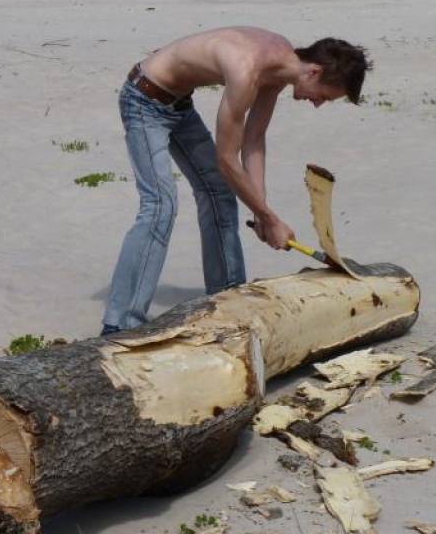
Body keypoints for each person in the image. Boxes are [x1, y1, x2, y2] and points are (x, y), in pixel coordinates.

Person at [101, 28, 371, 334]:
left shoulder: (279, 68)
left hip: (179, 105)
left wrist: (261, 211)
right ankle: (119, 324)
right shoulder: (247, 69)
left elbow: (254, 141)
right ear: (314, 71)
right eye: (323, 96)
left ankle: (228, 300)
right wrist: (271, 219)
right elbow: (227, 159)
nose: (318, 104)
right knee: (161, 205)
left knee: (220, 194)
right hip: (144, 100)